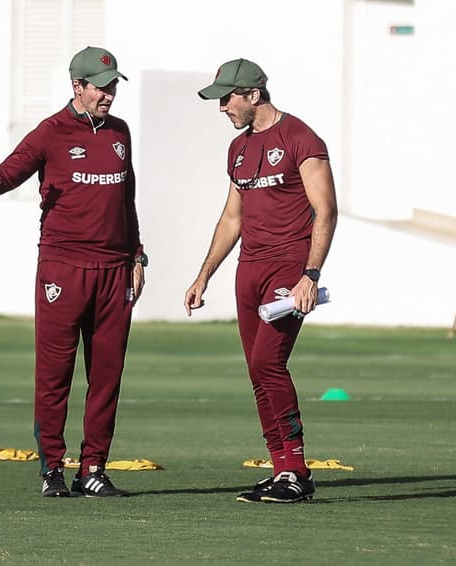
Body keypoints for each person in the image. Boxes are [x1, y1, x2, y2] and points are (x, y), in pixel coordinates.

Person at [0, 46, 146, 498]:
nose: (109, 95)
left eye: (113, 86)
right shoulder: (50, 133)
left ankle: (93, 469)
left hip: (114, 271)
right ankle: (52, 467)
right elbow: (4, 177)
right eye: (101, 87)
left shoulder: (120, 133)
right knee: (54, 375)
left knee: (107, 376)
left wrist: (138, 255)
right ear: (78, 87)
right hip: (62, 269)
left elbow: (126, 199)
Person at [183, 58, 337, 503]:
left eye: (227, 99)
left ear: (253, 95)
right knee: (256, 370)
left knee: (269, 362)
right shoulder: (237, 149)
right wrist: (203, 275)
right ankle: (281, 469)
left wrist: (311, 275)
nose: (222, 109)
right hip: (247, 270)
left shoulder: (301, 138)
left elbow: (325, 210)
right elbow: (233, 217)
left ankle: (297, 471)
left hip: (289, 269)